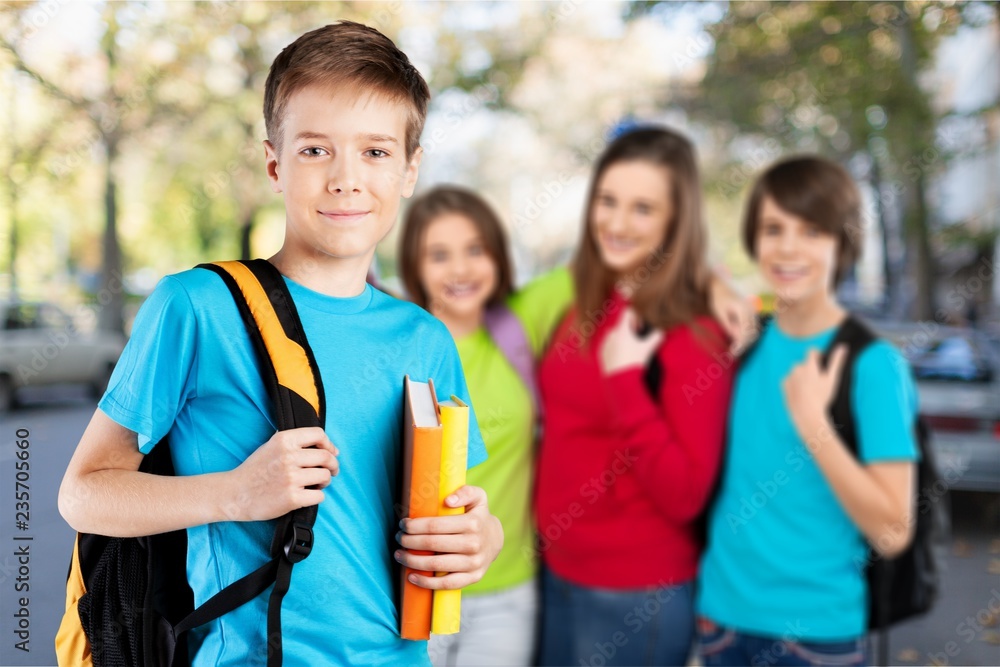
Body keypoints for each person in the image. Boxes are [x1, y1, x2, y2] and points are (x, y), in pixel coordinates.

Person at [57, 22, 504, 667]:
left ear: (410, 170)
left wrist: (480, 536)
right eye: (316, 150)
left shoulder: (425, 338)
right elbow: (82, 493)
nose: (347, 179)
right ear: (275, 164)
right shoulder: (197, 307)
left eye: (376, 152)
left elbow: (449, 512)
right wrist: (236, 493)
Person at [695, 156, 919, 667]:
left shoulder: (873, 365)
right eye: (774, 228)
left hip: (814, 639)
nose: (789, 248)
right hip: (719, 625)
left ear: (843, 244)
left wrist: (815, 427)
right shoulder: (742, 340)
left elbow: (892, 532)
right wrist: (712, 284)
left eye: (813, 230)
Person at [533, 127, 734, 666]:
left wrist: (625, 380)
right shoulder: (584, 301)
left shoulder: (695, 334)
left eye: (642, 208)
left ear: (675, 221)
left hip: (636, 592)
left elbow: (686, 493)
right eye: (608, 201)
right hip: (558, 572)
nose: (616, 223)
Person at [397, 185, 572, 666]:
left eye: (475, 249)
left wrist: (717, 285)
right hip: (411, 592)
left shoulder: (520, 325)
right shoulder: (396, 343)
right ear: (414, 265)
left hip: (507, 593)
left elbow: (607, 263)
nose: (461, 268)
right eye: (439, 254)